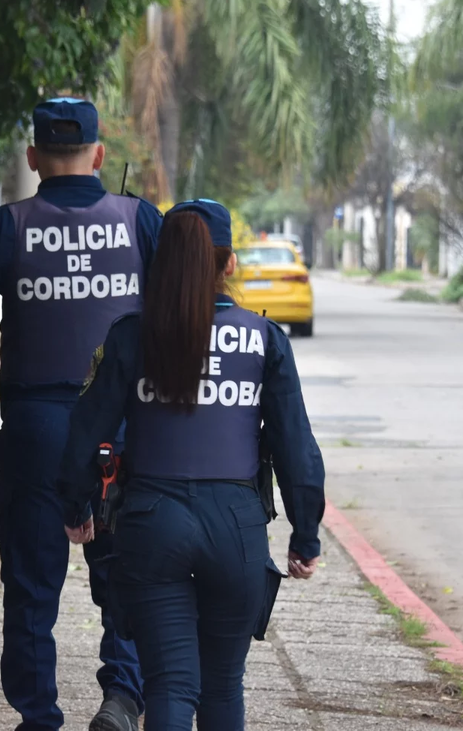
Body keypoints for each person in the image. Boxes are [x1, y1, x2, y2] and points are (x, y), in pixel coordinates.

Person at [0, 98, 161, 731]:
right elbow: (179, 317)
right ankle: (122, 694)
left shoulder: (5, 228)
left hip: (37, 430)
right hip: (121, 429)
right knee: (126, 574)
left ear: (32, 158)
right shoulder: (140, 221)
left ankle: (38, 715)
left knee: (32, 587)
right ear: (99, 154)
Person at [57, 200, 327, 730]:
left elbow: (87, 431)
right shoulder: (262, 338)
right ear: (228, 265)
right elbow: (296, 442)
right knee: (223, 686)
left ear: (164, 261)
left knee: (169, 686)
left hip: (152, 524)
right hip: (236, 525)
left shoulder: (131, 336)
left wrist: (75, 504)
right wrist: (306, 534)